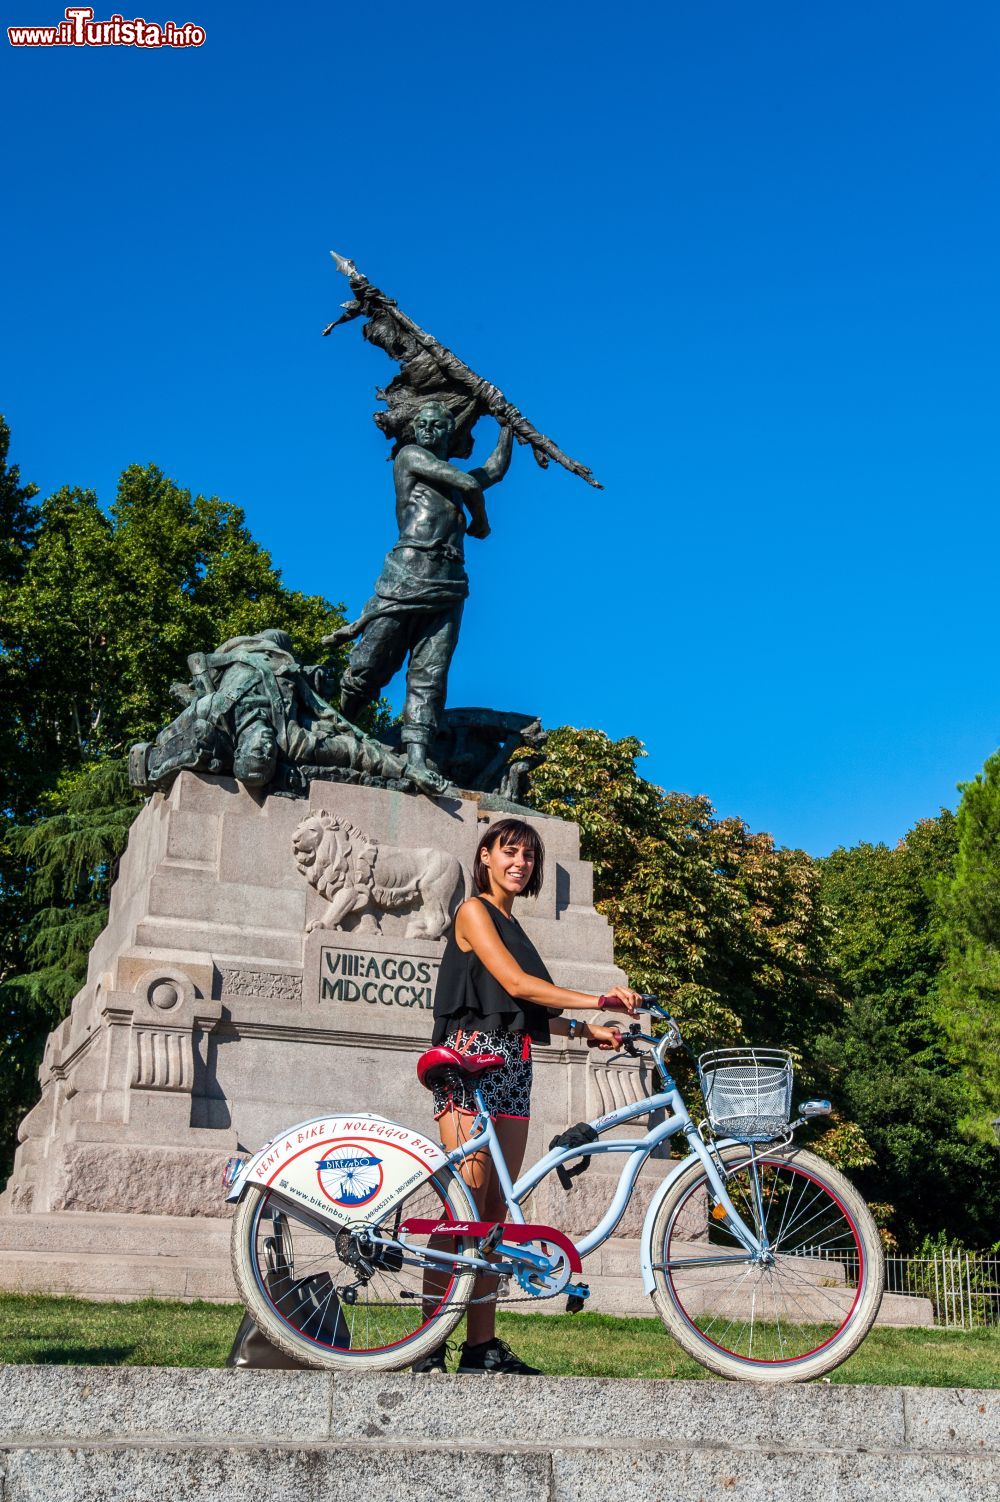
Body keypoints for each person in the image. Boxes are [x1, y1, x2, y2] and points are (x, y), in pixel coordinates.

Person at [415, 817, 641, 1375]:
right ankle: (427, 1343)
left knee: (495, 1211)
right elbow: (515, 986)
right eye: (509, 852)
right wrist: (598, 1001)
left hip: (513, 1068)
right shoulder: (473, 912)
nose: (520, 863)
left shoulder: (516, 927)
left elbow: (523, 1012)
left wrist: (585, 1032)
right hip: (469, 1063)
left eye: (529, 856)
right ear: (485, 856)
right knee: (463, 1210)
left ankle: (480, 1347)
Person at [325, 402, 513, 787]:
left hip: (449, 583)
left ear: (450, 432)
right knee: (370, 662)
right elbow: (472, 484)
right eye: (422, 424)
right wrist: (482, 522)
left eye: (436, 425)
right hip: (406, 574)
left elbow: (492, 470)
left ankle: (417, 756)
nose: (427, 430)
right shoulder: (410, 457)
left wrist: (508, 426)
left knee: (430, 673)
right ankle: (334, 729)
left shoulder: (452, 477)